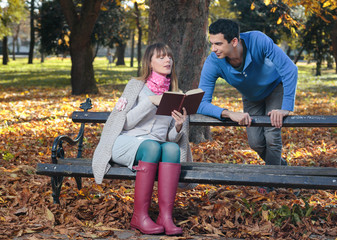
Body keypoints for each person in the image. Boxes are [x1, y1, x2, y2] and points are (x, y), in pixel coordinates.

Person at [92, 43, 193, 236]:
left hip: (154, 145)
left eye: (169, 57)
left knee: (171, 149)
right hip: (125, 142)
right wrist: (150, 102)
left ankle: (165, 217)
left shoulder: (175, 93)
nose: (167, 60)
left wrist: (179, 126)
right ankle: (140, 216)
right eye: (161, 57)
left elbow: (170, 138)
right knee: (153, 147)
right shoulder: (136, 87)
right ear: (150, 62)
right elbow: (124, 122)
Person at [198, 19, 298, 168]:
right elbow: (201, 102)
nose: (213, 49)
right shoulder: (213, 62)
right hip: (251, 97)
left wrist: (286, 107)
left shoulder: (258, 40)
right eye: (211, 43)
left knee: (271, 136)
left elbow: (289, 69)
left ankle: (271, 181)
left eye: (218, 44)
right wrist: (228, 113)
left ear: (233, 41)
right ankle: (283, 170)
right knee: (256, 143)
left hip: (275, 87)